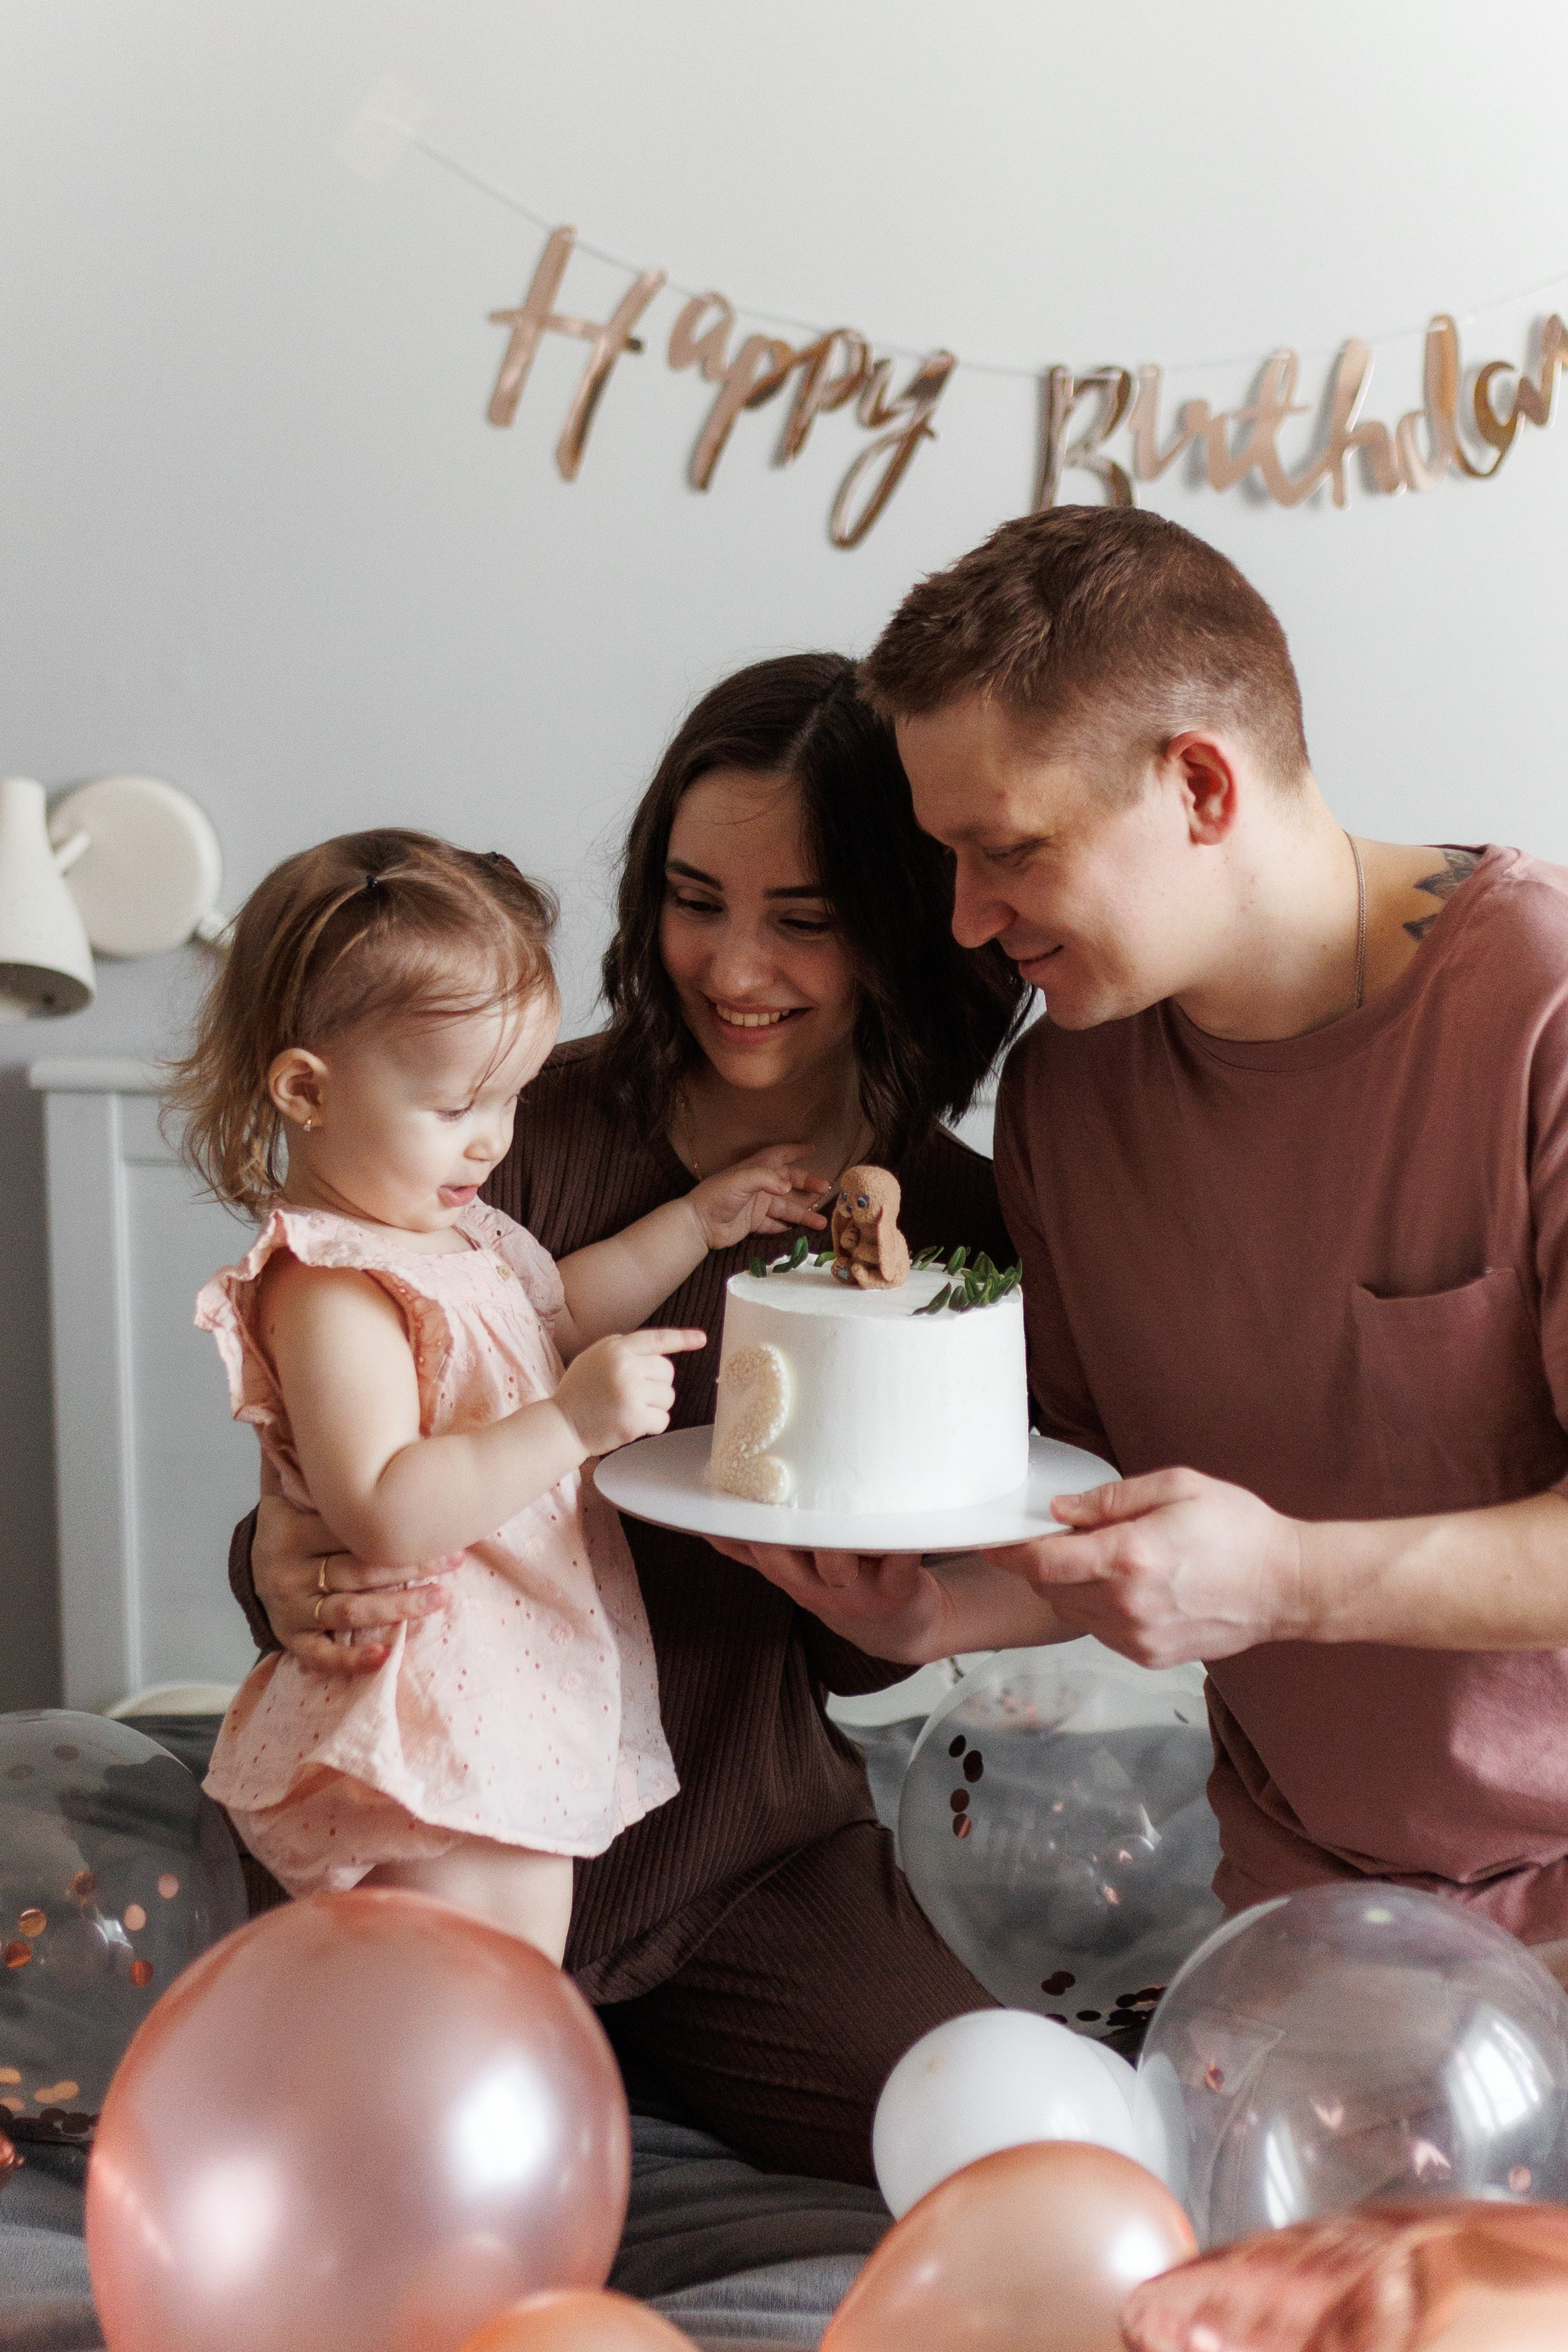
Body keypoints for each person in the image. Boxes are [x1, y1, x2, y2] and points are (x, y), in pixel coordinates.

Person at [725, 503, 1568, 1971]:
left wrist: (1289, 1576)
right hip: (1306, 1903)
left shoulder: (1535, 1016)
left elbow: (1255, 1567)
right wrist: (939, 1614)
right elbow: (1102, 1512)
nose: (968, 920)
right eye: (947, 862)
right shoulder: (1068, 1085)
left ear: (1196, 785)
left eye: (1006, 853)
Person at [224, 656, 1030, 2180]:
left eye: (802, 918)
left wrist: (904, 1607)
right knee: (367, 2156)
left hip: (734, 1857)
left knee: (971, 2134)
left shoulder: (944, 1223)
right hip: (448, 1822)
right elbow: (348, 1488)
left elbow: (872, 1638)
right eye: (691, 896)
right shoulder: (486, 1136)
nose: (732, 967)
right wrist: (275, 1563)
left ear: (899, 919)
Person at [176, 828, 830, 1961]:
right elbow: (384, 1502)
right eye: (456, 1106)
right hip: (426, 1704)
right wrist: (568, 1424)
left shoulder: (448, 1229)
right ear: (305, 1090)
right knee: (455, 1983)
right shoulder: (335, 1285)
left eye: (513, 1098)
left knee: (512, 1965)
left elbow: (556, 1310)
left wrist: (698, 1222)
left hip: (499, 1689)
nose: (492, 1138)